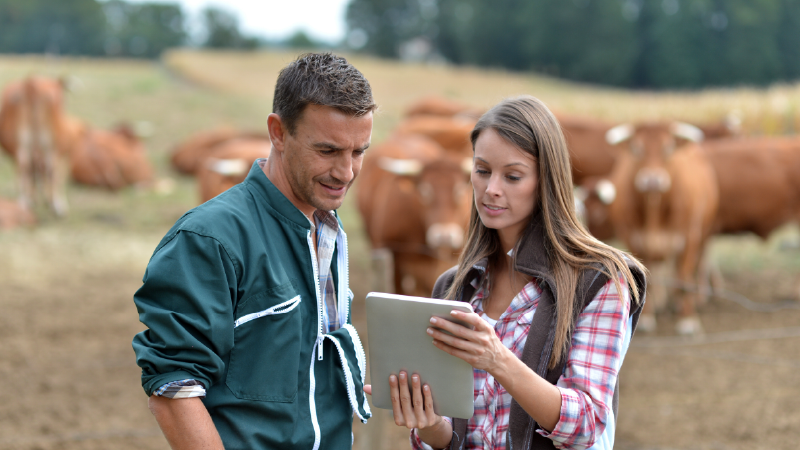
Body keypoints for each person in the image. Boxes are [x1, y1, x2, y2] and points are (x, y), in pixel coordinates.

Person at [369, 95, 647, 450]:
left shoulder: (600, 280)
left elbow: (587, 424)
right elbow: (449, 439)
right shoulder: (455, 286)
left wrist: (497, 360)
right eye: (482, 170)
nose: (491, 189)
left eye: (512, 176)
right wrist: (428, 423)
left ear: (547, 181)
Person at [132, 52, 376, 450]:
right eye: (328, 151)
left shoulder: (328, 229)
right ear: (278, 132)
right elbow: (173, 390)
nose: (346, 172)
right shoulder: (208, 239)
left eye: (359, 152)